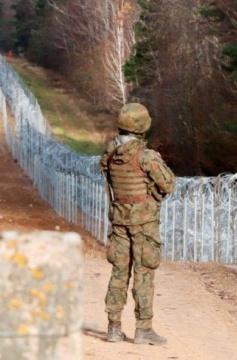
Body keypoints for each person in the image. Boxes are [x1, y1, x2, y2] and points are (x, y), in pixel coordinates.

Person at [100, 103, 176, 345]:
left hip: (120, 221)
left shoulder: (111, 154)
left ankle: (113, 327)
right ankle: (143, 329)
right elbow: (168, 184)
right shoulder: (146, 157)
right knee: (143, 273)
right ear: (142, 128)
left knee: (119, 273)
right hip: (144, 224)